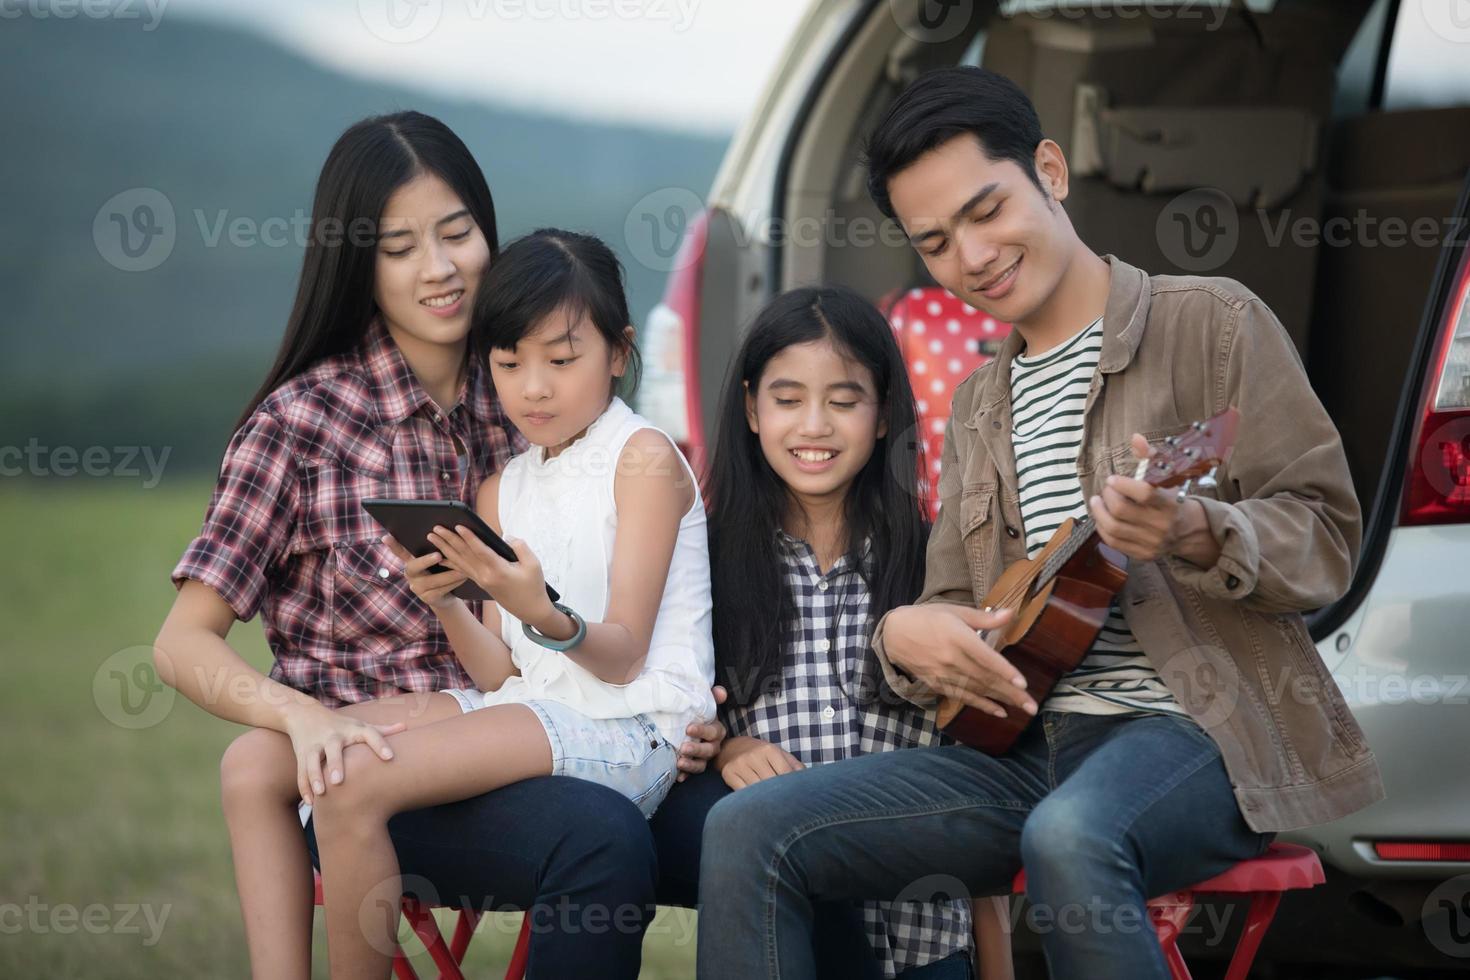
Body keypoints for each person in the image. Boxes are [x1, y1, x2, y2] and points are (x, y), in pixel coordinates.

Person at [696, 66, 1383, 980]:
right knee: (747, 825)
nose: (971, 256)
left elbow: (1327, 540)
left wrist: (1195, 530)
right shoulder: (980, 401)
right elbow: (948, 603)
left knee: (1070, 834)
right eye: (935, 242)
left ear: (1050, 171)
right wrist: (906, 633)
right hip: (1019, 746)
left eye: (987, 211)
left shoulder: (1212, 324)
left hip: (1195, 735)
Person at [154, 112, 720, 980]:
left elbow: (647, 585)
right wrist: (299, 714)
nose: (440, 267)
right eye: (399, 246)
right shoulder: (301, 425)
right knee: (594, 836)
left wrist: (710, 711)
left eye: (457, 232)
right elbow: (181, 642)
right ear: (357, 264)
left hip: (552, 726)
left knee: (753, 826)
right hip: (375, 766)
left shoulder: (539, 401)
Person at [651, 285, 1012, 980]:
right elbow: (673, 728)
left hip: (923, 950)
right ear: (752, 408)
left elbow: (980, 774)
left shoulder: (940, 569)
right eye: (787, 400)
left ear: (883, 417)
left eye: (844, 402)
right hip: (781, 947)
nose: (814, 426)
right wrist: (728, 747)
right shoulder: (702, 570)